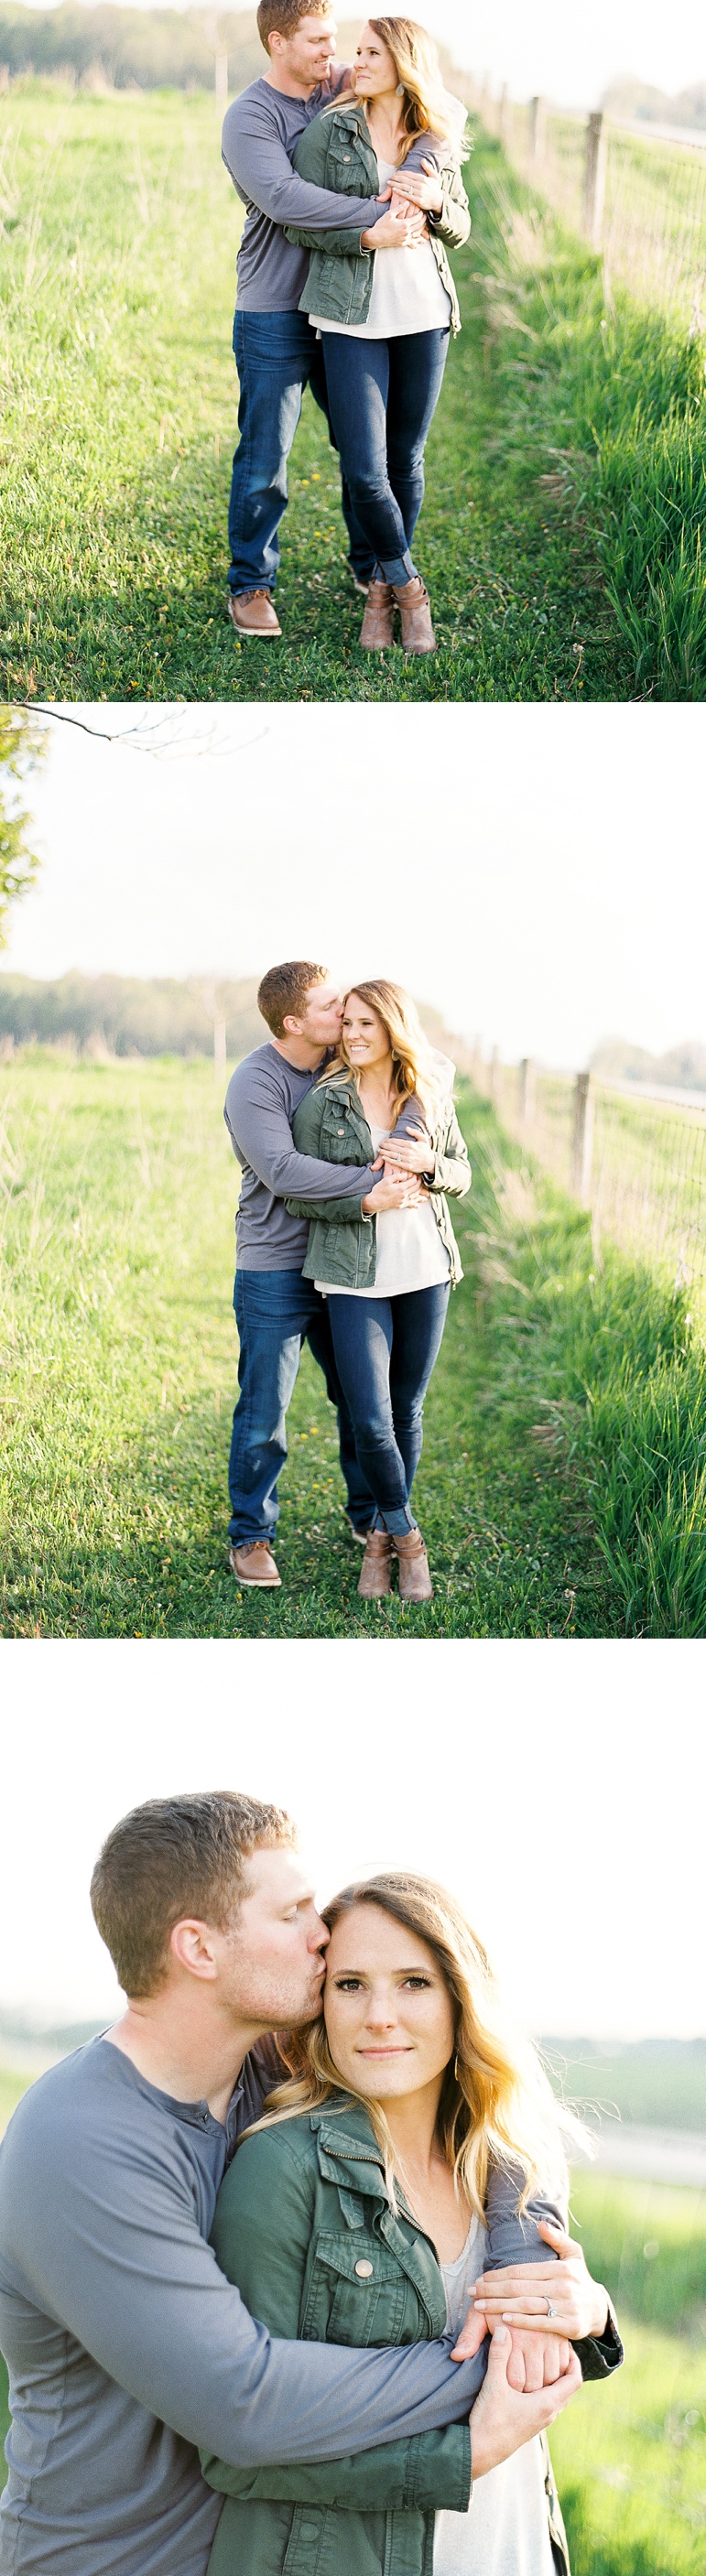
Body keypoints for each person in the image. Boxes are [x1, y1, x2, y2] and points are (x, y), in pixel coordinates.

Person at [0, 1795, 590, 2576]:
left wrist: (538, 2284)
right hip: (115, 2560)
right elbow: (245, 2403)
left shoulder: (263, 2067)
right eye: (293, 1912)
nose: (322, 1933)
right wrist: (505, 2357)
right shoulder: (80, 2140)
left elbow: (474, 2109)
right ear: (198, 1948)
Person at [201, 1870, 622, 2576]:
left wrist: (590, 2313)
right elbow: (231, 2449)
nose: (379, 2016)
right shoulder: (281, 2165)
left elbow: (531, 2365)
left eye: (413, 1982)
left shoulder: (502, 2165)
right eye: (350, 1984)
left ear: (461, 1997)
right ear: (320, 2004)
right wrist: (463, 2457)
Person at [221, 0, 426, 638]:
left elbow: (421, 111)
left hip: (346, 308)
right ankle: (251, 584)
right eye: (317, 41)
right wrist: (377, 221)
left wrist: (420, 185)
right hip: (275, 307)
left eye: (335, 41)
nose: (333, 54)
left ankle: (371, 567)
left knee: (360, 448)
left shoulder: (339, 82)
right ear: (277, 43)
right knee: (266, 455)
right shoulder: (249, 117)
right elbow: (286, 199)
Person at [223, 959, 420, 1590]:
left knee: (360, 1400)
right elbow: (282, 1171)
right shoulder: (256, 1080)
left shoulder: (345, 1065)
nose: (344, 1014)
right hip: (276, 1265)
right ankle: (251, 1535)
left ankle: (369, 1517)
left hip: (343, 1262)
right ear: (293, 1021)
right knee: (264, 1409)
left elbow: (416, 1080)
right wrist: (372, 1187)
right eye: (331, 1005)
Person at [286, 17, 471, 655]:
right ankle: (405, 587)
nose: (353, 61)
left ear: (403, 62)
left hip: (422, 315)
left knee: (405, 461)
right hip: (349, 316)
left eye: (369, 52)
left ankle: (377, 588)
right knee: (365, 468)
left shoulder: (433, 138)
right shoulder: (328, 131)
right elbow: (298, 222)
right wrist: (369, 233)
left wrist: (439, 204)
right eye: (356, 50)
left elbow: (462, 225)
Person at [287, 981, 472, 1602]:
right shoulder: (323, 1104)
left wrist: (427, 1165)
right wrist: (366, 1199)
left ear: (394, 1027)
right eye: (348, 1024)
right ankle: (405, 1537)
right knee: (369, 1417)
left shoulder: (427, 1095)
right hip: (351, 1276)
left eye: (367, 1023)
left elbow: (461, 1171)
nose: (354, 1034)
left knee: (406, 1409)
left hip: (423, 1272)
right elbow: (296, 1195)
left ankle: (377, 1540)